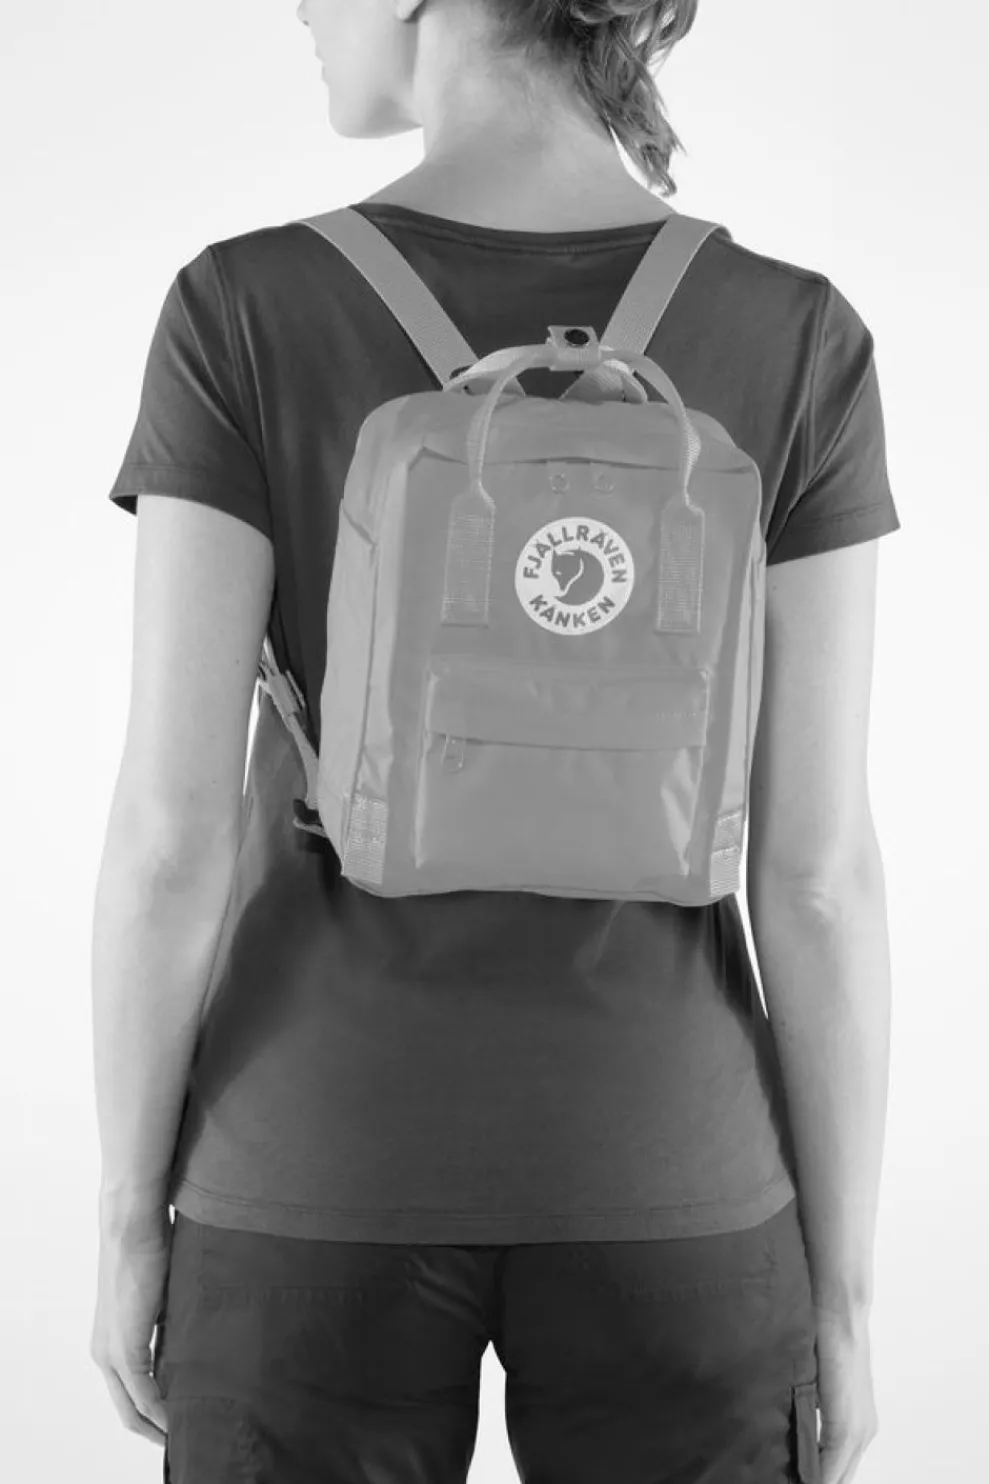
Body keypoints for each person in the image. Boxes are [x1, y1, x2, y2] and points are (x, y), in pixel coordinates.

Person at [90, 2, 899, 1481]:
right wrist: (842, 1298)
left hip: (307, 1171)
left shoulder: (243, 308)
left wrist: (130, 1220)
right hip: (679, 1177)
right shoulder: (797, 333)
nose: (302, 8)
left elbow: (167, 842)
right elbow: (821, 876)